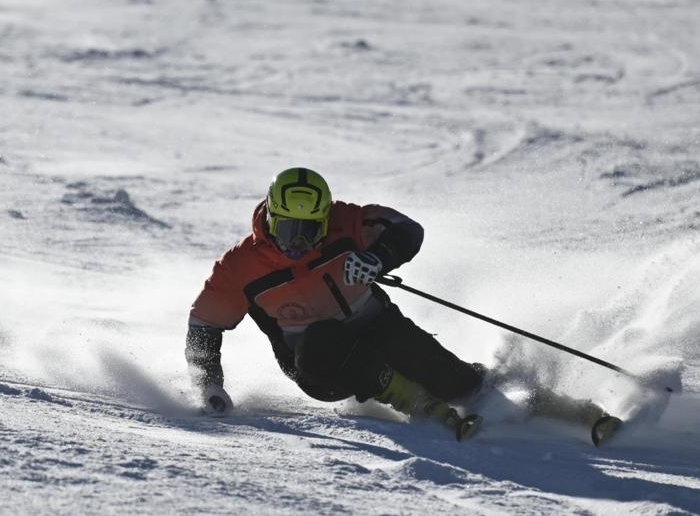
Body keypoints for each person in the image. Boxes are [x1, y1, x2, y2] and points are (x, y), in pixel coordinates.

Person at [185, 167, 622, 445]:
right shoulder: (241, 265)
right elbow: (204, 324)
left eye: (310, 229)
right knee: (324, 340)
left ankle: (570, 412)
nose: (298, 241)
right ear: (270, 217)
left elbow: (406, 229)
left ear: (326, 217)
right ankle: (415, 403)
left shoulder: (346, 222)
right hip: (317, 364)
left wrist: (378, 257)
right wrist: (209, 385)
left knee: (459, 385)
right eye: (288, 229)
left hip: (375, 324)